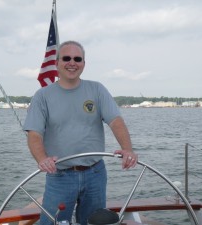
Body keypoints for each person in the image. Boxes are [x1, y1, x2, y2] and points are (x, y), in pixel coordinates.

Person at [23, 40, 138, 225]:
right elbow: (34, 133)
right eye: (66, 58)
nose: (72, 63)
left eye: (78, 59)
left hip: (95, 174)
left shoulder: (97, 89)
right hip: (59, 176)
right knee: (52, 223)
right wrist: (42, 159)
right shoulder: (42, 96)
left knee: (94, 222)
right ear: (57, 63)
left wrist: (128, 149)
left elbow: (115, 121)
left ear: (84, 63)